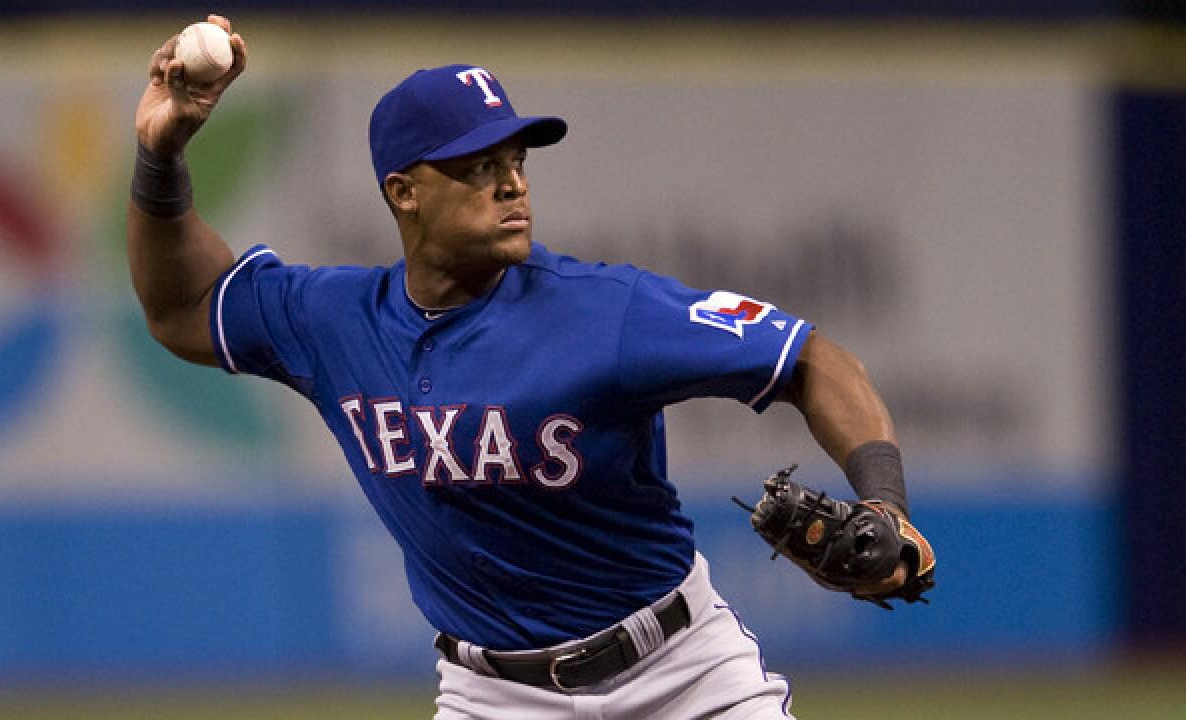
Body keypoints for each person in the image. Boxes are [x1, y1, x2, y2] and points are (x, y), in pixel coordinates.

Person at [129, 15, 924, 720]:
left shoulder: (607, 310)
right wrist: (159, 159)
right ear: (403, 192)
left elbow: (812, 361)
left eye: (515, 157)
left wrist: (885, 505)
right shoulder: (332, 322)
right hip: (492, 695)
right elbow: (181, 307)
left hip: (682, 677)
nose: (511, 181)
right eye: (476, 165)